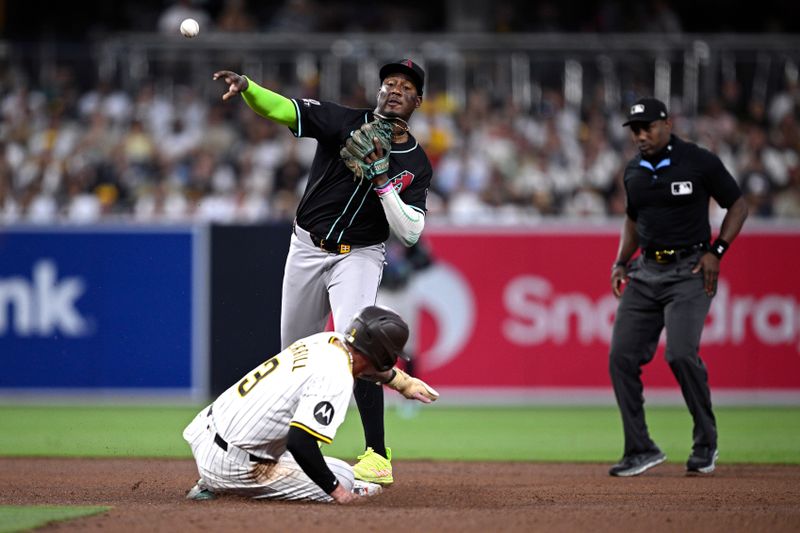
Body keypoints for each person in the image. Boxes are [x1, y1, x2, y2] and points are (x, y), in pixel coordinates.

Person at [212, 58, 432, 486]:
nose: (394, 89)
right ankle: (265, 451)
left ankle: (376, 454)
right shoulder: (343, 121)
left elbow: (408, 232)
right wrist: (249, 87)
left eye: (405, 86)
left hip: (361, 254)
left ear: (417, 101)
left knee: (361, 336)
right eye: (388, 82)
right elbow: (285, 110)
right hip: (307, 248)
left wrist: (383, 180)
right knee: (292, 357)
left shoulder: (415, 163)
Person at [608, 97, 748, 477]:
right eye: (635, 129)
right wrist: (621, 261)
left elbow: (737, 204)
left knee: (681, 355)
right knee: (621, 356)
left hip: (690, 269)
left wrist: (717, 251)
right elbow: (633, 221)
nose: (640, 135)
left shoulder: (698, 160)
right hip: (646, 270)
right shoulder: (634, 171)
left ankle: (706, 442)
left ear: (667, 124)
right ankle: (641, 448)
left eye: (647, 127)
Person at [183, 305, 439, 503]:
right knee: (344, 477)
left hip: (204, 431)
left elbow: (363, 363)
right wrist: (337, 492)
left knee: (330, 464)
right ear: (383, 357)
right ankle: (218, 482)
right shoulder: (336, 377)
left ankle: (213, 477)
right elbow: (300, 442)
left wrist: (401, 382)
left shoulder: (325, 341)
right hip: (234, 465)